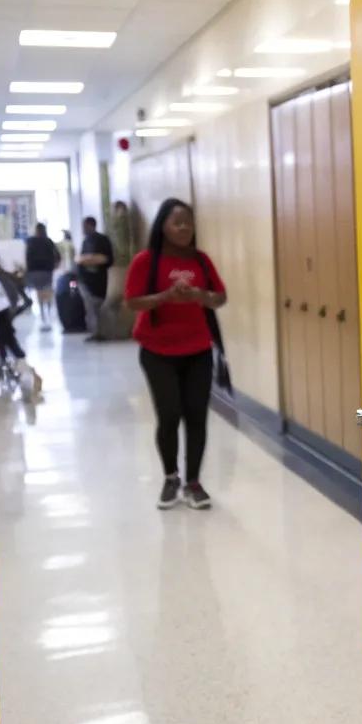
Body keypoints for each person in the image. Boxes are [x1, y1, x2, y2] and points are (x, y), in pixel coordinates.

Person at [123, 198, 227, 511]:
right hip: (158, 351)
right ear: (163, 226)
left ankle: (193, 482)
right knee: (169, 416)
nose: (183, 228)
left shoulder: (201, 261)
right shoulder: (146, 261)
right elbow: (133, 302)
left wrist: (199, 296)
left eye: (188, 222)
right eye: (176, 222)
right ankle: (171, 477)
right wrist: (166, 297)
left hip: (198, 350)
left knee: (197, 417)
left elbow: (219, 297)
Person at [76, 216, 114, 341]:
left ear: (91, 226)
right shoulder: (86, 241)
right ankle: (95, 332)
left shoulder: (102, 240)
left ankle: (99, 332)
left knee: (97, 305)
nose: (83, 229)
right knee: (90, 307)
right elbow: (81, 259)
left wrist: (91, 259)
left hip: (98, 279)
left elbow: (107, 258)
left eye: (85, 226)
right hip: (85, 280)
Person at [24, 222, 61, 331]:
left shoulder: (30, 241)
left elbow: (26, 256)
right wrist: (55, 265)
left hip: (34, 270)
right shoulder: (48, 241)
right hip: (47, 270)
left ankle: (43, 317)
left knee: (39, 293)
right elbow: (57, 255)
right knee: (47, 292)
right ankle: (48, 313)